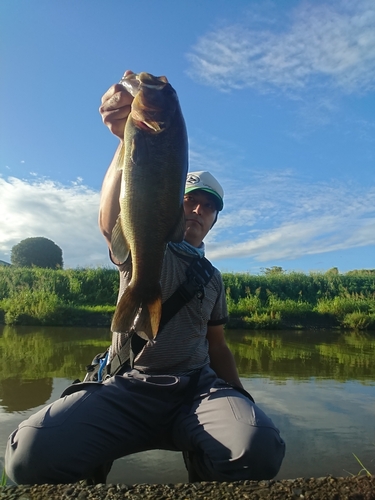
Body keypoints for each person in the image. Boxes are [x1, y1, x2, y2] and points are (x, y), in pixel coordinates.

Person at [5, 71, 285, 485]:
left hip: (196, 391)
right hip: (126, 389)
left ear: (214, 219)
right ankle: (92, 470)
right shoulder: (143, 251)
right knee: (28, 456)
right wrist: (125, 143)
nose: (195, 210)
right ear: (171, 201)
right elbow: (109, 219)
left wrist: (240, 397)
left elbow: (219, 347)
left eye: (207, 207)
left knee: (259, 446)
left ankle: (203, 468)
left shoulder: (213, 279)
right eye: (188, 200)